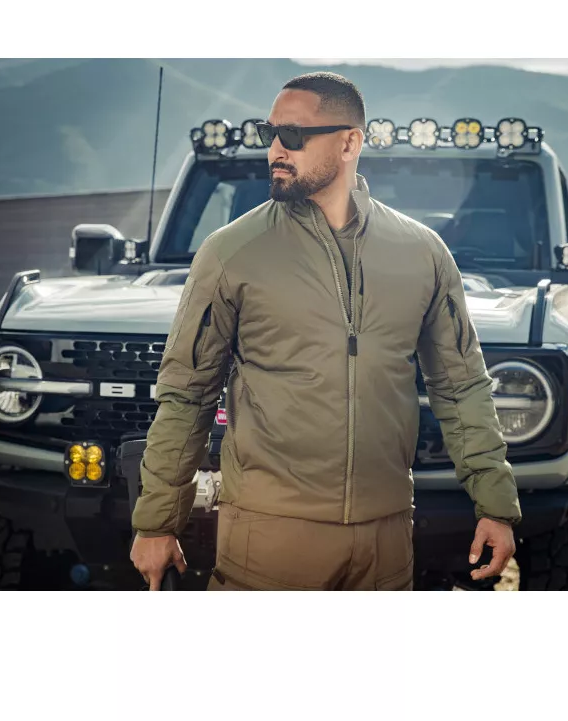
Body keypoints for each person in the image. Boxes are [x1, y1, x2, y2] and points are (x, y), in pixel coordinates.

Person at [131, 71, 521, 591]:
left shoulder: (422, 252)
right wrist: (157, 523)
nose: (275, 149)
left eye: (293, 135)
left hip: (386, 542)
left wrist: (495, 505)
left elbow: (461, 386)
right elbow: (187, 395)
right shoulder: (231, 253)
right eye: (270, 133)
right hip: (269, 538)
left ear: (349, 143)